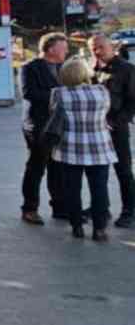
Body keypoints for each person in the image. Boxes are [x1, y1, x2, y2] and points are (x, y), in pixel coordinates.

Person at [51, 57, 117, 241]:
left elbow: (54, 115)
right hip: (99, 148)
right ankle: (100, 229)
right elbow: (106, 112)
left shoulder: (59, 94)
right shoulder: (102, 91)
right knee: (99, 189)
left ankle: (77, 226)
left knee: (72, 189)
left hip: (69, 149)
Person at [20, 32, 68, 223]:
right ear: (50, 49)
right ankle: (29, 209)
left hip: (60, 124)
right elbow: (29, 93)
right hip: (38, 125)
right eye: (63, 47)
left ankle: (60, 207)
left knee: (58, 166)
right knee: (37, 166)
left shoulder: (65, 67)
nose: (66, 50)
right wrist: (59, 95)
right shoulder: (30, 68)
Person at [90, 34, 135, 229]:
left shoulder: (127, 69)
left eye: (101, 47)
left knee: (123, 171)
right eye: (93, 48)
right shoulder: (92, 70)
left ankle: (129, 211)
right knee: (98, 171)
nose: (97, 51)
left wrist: (116, 122)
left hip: (117, 128)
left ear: (111, 47)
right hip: (94, 129)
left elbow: (133, 102)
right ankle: (101, 208)